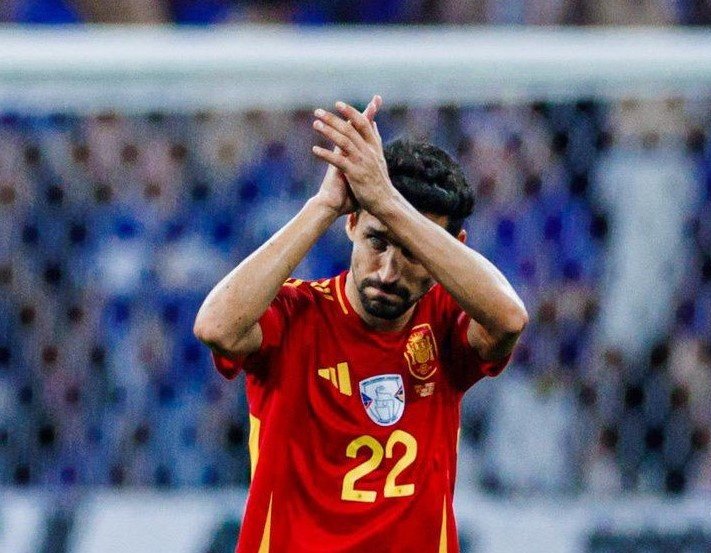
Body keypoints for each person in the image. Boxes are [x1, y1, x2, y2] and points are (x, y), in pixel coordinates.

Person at [193, 95, 528, 552]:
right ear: (351, 225)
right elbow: (215, 327)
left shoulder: (446, 328)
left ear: (447, 247)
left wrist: (388, 203)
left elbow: (510, 318)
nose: (388, 271)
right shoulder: (295, 314)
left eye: (411, 250)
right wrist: (324, 204)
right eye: (377, 240)